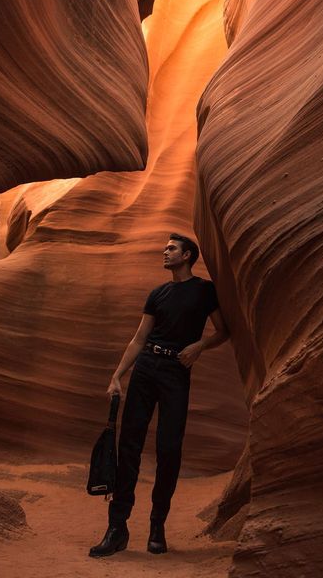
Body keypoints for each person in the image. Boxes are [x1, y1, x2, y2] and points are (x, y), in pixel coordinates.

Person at [89, 233, 229, 558]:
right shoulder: (158, 293)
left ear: (187, 254)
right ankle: (117, 528)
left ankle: (157, 526)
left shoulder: (205, 291)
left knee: (169, 448)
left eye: (171, 248)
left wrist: (199, 346)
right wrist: (117, 375)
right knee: (129, 447)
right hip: (146, 367)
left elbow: (224, 330)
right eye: (165, 247)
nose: (164, 252)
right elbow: (139, 338)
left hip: (176, 372)